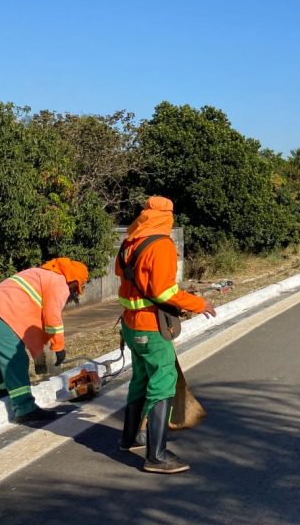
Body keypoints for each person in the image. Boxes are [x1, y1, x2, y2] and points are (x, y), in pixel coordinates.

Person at [116, 196, 216, 474]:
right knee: (163, 382)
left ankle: (130, 438)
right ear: (167, 216)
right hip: (151, 324)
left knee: (140, 379)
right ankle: (156, 456)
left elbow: (125, 275)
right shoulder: (161, 245)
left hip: (130, 324)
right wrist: (199, 304)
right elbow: (163, 291)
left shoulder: (130, 241)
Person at [0, 257, 88, 423]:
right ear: (74, 281)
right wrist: (59, 347)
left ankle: (0, 394)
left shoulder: (41, 275)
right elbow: (52, 318)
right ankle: (25, 408)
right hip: (0, 311)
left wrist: (41, 357)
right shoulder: (59, 282)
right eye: (76, 288)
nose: (73, 293)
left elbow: (37, 326)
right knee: (15, 359)